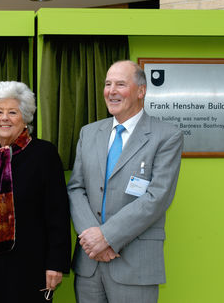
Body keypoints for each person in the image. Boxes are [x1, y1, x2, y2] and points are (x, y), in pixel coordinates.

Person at [67, 60, 183, 303]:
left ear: (141, 91)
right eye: (108, 84)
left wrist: (107, 237)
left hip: (135, 264)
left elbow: (157, 197)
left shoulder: (167, 136)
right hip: (90, 264)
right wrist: (93, 239)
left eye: (121, 84)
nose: (111, 91)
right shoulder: (88, 133)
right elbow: (76, 188)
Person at [0, 81, 71, 303]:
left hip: (27, 264)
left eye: (12, 112)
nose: (5, 118)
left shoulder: (44, 154)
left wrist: (55, 264)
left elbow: (57, 214)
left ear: (25, 116)